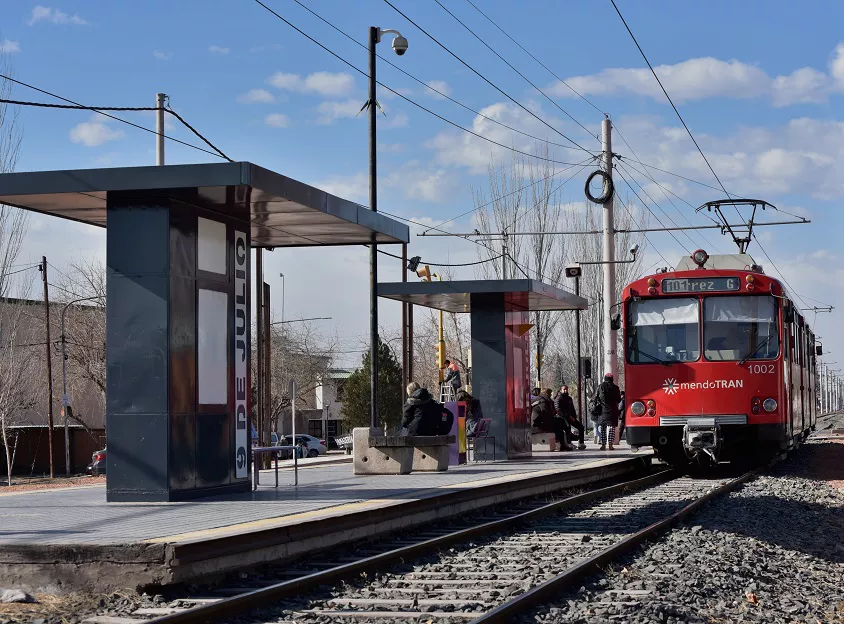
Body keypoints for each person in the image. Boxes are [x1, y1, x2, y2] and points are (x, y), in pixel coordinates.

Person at [593, 372, 622, 451]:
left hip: (602, 410)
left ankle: (603, 444)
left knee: (603, 428)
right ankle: (610, 445)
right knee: (611, 428)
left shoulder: (600, 386)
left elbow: (595, 398)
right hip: (613, 410)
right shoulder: (616, 388)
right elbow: (619, 399)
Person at [554, 385, 586, 450]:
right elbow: (558, 410)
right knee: (567, 427)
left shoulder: (569, 398)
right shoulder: (558, 398)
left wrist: (574, 417)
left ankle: (581, 443)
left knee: (581, 427)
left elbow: (572, 409)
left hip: (570, 417)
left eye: (566, 389)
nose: (565, 391)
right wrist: (568, 416)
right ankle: (569, 443)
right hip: (562, 418)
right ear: (561, 390)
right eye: (564, 389)